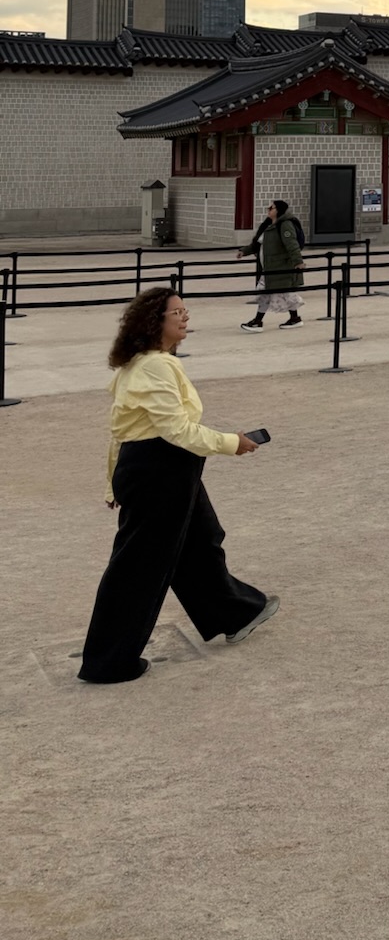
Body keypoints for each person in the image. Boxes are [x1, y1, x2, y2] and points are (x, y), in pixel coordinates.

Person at [78, 288, 278, 684]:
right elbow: (175, 431)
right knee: (139, 567)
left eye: (185, 310)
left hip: (162, 468)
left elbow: (121, 431)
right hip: (160, 470)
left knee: (200, 541)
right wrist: (231, 442)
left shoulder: (146, 363)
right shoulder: (154, 367)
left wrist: (112, 482)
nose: (185, 318)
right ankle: (108, 662)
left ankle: (235, 612)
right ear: (156, 322)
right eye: (177, 312)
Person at [240, 199, 305, 329]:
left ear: (279, 210)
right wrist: (244, 251)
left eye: (272, 208)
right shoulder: (269, 225)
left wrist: (298, 262)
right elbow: (258, 244)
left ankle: (258, 321)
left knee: (270, 292)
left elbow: (291, 244)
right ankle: (294, 318)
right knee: (281, 293)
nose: (269, 210)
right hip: (270, 267)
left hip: (279, 266)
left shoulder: (285, 225)